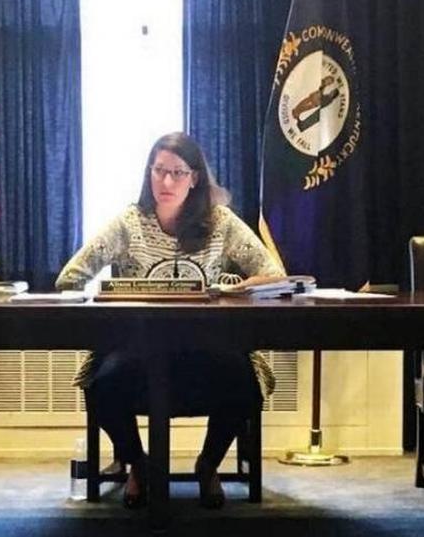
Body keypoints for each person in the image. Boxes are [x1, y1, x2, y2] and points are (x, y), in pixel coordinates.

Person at [56, 132, 284, 510]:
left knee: (245, 384)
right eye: (158, 170)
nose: (165, 181)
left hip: (207, 347)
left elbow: (273, 275)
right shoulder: (129, 223)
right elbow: (70, 277)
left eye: (177, 172)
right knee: (102, 387)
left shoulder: (220, 222)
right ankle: (139, 464)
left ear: (194, 178)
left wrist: (229, 290)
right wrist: (112, 296)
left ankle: (208, 464)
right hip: (137, 349)